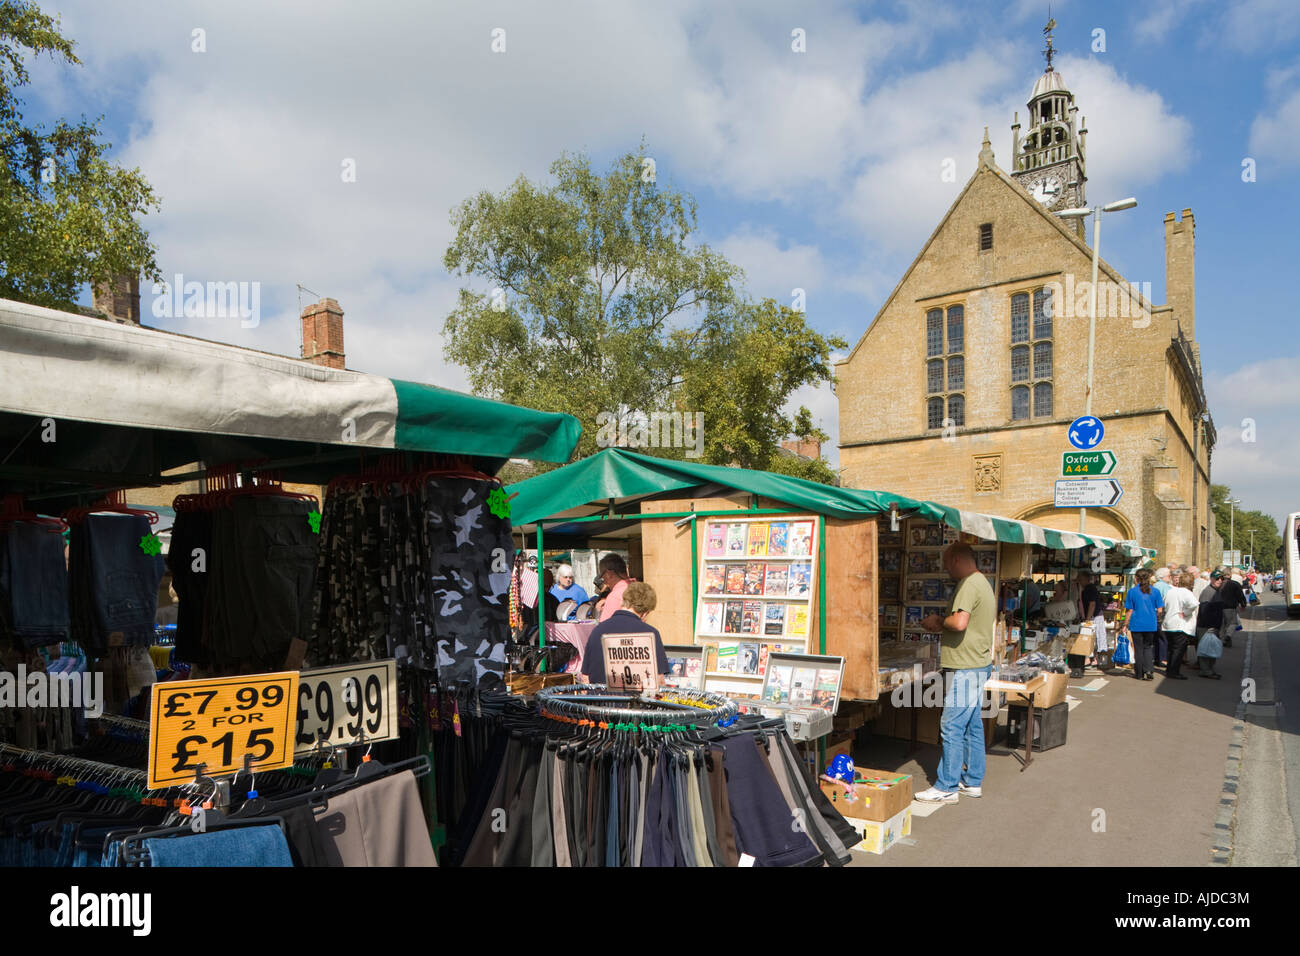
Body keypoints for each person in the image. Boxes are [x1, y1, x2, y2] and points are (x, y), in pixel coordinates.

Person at [914, 544, 996, 804]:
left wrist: (937, 621)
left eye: (947, 563)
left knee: (951, 725)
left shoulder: (969, 584)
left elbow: (959, 623)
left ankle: (946, 785)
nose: (946, 569)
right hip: (975, 664)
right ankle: (972, 781)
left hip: (967, 667)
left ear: (957, 560)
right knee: (971, 725)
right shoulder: (982, 582)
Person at [580, 581, 669, 686]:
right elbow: (659, 680)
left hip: (599, 700)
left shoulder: (597, 630)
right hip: (635, 701)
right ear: (645, 613)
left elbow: (585, 677)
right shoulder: (650, 634)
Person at [1124, 568, 1164, 681]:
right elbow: (1160, 609)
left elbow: (1129, 610)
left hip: (1137, 623)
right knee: (1148, 647)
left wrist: (1125, 623)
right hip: (1151, 623)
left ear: (1136, 578)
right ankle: (1149, 669)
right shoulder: (1155, 591)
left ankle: (1139, 673)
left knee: (1138, 648)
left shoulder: (1132, 591)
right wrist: (1154, 616)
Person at [1162, 571, 1200, 680]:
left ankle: (1170, 670)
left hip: (1168, 623)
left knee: (1171, 648)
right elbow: (1194, 604)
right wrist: (1186, 612)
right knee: (1179, 649)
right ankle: (1174, 671)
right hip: (1180, 624)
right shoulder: (1187, 593)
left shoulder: (1171, 591)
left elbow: (1164, 604)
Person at [1077, 571, 1109, 668]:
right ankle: (1095, 659)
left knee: (1092, 637)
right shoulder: (1087, 589)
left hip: (1094, 616)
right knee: (1095, 637)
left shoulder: (1089, 589)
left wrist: (1088, 618)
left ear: (1087, 579)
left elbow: (1092, 604)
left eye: (1081, 579)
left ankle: (1093, 659)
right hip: (1094, 615)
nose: (1080, 581)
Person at [593, 553, 635, 623]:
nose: (604, 582)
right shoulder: (639, 587)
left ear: (608, 574)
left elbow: (604, 627)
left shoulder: (615, 596)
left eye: (603, 577)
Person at [1217, 567, 1248, 648]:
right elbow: (1240, 596)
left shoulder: (1219, 584)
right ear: (1230, 575)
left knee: (1222, 625)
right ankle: (1228, 635)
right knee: (1233, 623)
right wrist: (1243, 604)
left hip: (1219, 607)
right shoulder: (1235, 584)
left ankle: (1223, 640)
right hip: (1230, 607)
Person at [1152, 567, 1173, 667]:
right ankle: (1163, 659)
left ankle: (1156, 658)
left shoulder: (1154, 586)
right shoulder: (1166, 587)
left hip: (1153, 614)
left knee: (1155, 638)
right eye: (1169, 575)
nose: (1170, 577)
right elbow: (1168, 602)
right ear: (1163, 577)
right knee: (1163, 638)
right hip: (1162, 614)